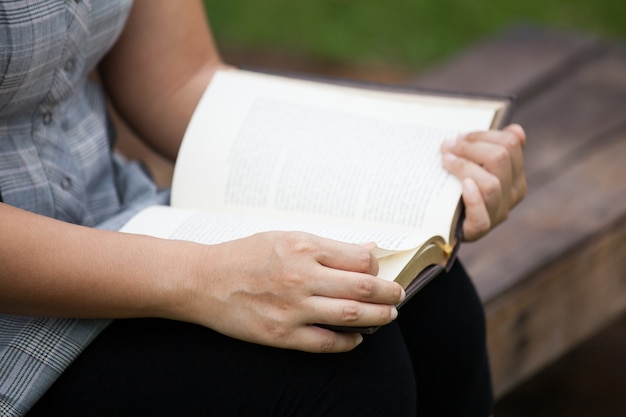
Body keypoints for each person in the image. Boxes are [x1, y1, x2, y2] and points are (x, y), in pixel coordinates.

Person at [0, 1, 527, 416]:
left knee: (432, 305)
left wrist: (431, 166)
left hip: (118, 214)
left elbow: (178, 82)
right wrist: (204, 276)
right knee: (338, 376)